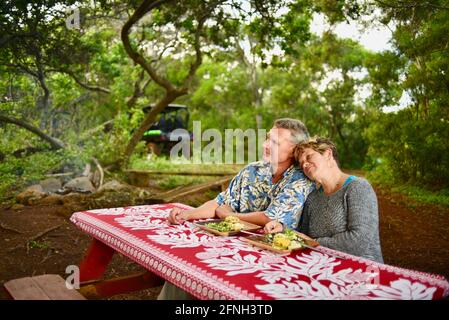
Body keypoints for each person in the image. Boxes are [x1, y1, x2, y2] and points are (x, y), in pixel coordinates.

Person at [159, 118, 315, 299]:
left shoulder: (300, 180)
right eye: (267, 138)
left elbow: (269, 217)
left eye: (274, 142)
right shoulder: (252, 170)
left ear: (295, 150)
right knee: (185, 267)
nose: (265, 144)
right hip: (231, 249)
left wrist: (230, 216)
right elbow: (219, 202)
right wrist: (186, 214)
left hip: (270, 262)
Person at [264, 137, 383, 263]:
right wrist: (282, 228)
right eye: (301, 163)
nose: (304, 164)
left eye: (309, 157)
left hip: (363, 269)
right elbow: (303, 234)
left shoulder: (358, 187)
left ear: (328, 154)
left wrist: (314, 243)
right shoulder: (313, 198)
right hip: (322, 266)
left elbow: (359, 241)